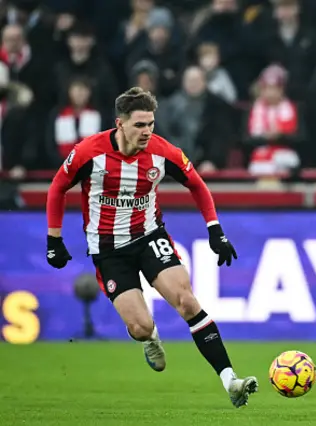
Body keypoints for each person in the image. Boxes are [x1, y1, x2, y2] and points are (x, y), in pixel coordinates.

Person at [45, 87, 258, 408]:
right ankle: (151, 338)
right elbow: (58, 186)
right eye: (140, 125)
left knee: (187, 301)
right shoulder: (90, 152)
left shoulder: (164, 152)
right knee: (140, 326)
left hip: (149, 236)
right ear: (120, 123)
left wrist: (215, 230)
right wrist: (54, 238)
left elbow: (197, 185)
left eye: (151, 124)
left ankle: (231, 381)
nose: (147, 132)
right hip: (108, 249)